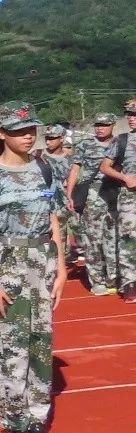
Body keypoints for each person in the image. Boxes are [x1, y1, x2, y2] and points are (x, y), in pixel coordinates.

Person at [0, 101, 66, 433]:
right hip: (6, 263)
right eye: (18, 130)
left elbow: (56, 219)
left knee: (41, 343)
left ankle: (35, 420)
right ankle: (14, 423)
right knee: (11, 346)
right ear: (1, 133)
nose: (27, 135)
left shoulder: (46, 169)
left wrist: (61, 269)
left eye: (31, 129)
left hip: (42, 261)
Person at [67, 113, 118, 295]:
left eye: (104, 125)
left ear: (112, 125)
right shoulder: (85, 145)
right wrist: (69, 194)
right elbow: (75, 169)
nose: (100, 128)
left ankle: (114, 277)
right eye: (97, 124)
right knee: (92, 238)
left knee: (114, 236)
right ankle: (97, 280)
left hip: (115, 192)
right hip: (93, 192)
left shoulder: (120, 143)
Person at [99, 99, 136, 303]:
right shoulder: (121, 140)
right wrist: (125, 178)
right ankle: (130, 282)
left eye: (135, 115)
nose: (131, 118)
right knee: (129, 238)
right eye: (129, 114)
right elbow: (105, 167)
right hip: (129, 196)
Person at [41, 125, 78, 264]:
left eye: (52, 138)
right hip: (47, 201)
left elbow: (73, 179)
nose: (48, 142)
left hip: (65, 202)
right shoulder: (39, 157)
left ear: (62, 138)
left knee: (69, 232)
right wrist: (47, 198)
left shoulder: (70, 159)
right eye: (47, 138)